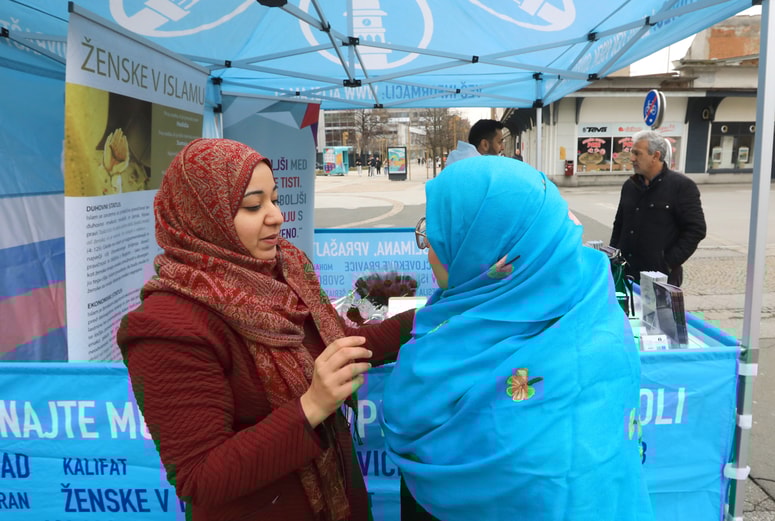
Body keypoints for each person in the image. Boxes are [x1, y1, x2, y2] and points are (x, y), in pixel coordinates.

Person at [117, 138, 415, 521]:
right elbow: (200, 477)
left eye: (274, 199)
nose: (276, 216)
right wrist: (312, 405)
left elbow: (341, 346)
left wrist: (441, 314)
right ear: (205, 216)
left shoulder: (285, 271)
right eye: (253, 206)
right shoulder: (166, 325)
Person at [380, 156, 652, 521]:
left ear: (488, 244)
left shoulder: (589, 339)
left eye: (442, 230)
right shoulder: (463, 312)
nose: (427, 245)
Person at [610, 130, 706, 287]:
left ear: (655, 156)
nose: (632, 158)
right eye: (631, 153)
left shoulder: (681, 187)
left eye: (637, 153)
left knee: (658, 313)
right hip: (626, 273)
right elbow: (619, 225)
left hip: (660, 279)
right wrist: (614, 256)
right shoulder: (630, 186)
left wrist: (667, 263)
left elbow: (696, 229)